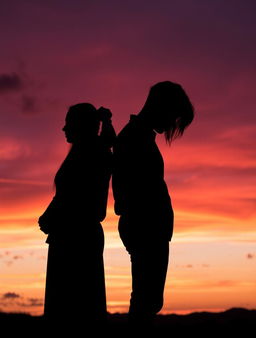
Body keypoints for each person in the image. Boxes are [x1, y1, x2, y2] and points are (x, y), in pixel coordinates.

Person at [112, 81, 194, 325]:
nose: (173, 125)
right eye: (174, 117)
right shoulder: (134, 138)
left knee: (148, 300)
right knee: (146, 301)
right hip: (145, 228)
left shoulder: (140, 136)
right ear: (162, 107)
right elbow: (128, 191)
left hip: (148, 228)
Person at [39, 103, 115, 325]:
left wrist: (50, 217)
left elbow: (75, 198)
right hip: (72, 236)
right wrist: (49, 216)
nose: (63, 129)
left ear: (80, 126)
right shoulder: (89, 153)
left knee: (73, 307)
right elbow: (66, 195)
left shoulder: (91, 155)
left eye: (68, 123)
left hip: (76, 239)